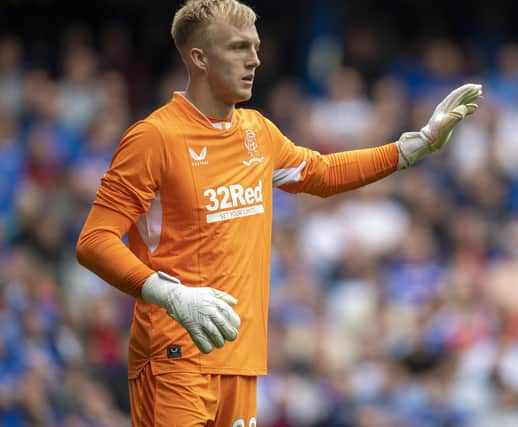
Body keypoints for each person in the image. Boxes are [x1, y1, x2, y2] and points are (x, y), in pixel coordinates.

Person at [75, 0, 482, 425]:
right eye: (238, 48)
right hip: (176, 353)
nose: (255, 59)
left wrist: (408, 149)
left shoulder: (257, 132)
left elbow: (321, 173)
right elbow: (94, 241)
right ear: (198, 57)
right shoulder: (154, 138)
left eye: (255, 46)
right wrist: (171, 294)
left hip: (241, 357)